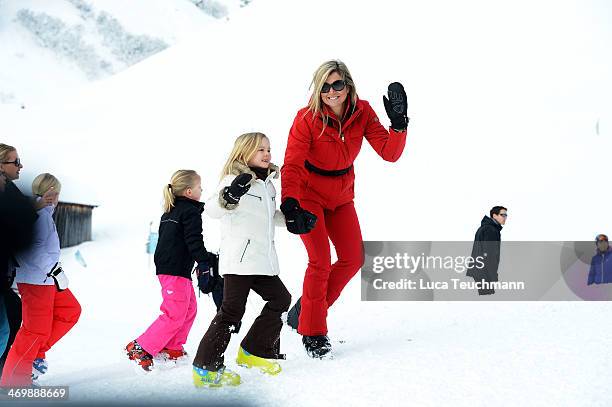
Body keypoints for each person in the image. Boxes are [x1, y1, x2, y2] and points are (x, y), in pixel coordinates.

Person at [281, 60, 409, 358]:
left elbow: (389, 153)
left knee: (353, 258)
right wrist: (290, 203)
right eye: (325, 86)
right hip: (309, 194)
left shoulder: (362, 111)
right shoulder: (306, 118)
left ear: (348, 85)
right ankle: (313, 332)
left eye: (337, 84)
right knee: (321, 261)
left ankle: (305, 310)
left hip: (341, 196)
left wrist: (399, 125)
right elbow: (293, 163)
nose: (331, 92)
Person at [192, 132, 291, 388]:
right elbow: (213, 209)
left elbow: (268, 218)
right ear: (244, 153)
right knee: (232, 312)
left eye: (269, 149)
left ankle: (254, 351)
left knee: (281, 299)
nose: (267, 154)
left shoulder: (268, 184)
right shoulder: (233, 180)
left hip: (262, 259)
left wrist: (292, 220)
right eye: (260, 150)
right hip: (239, 260)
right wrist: (231, 195)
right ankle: (205, 367)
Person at [125, 170, 212, 372]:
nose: (202, 190)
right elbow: (194, 240)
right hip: (174, 269)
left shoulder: (171, 211)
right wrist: (204, 261)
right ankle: (140, 347)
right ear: (189, 191)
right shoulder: (189, 211)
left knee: (189, 309)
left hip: (177, 268)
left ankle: (172, 347)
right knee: (174, 312)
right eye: (200, 187)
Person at [0, 173, 81, 387]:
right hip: (37, 281)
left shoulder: (44, 214)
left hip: (45, 280)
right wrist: (54, 270)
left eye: (56, 193)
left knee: (69, 311)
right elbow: (31, 251)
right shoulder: (40, 217)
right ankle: (14, 382)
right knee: (34, 331)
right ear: (40, 193)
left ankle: (35, 355)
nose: (54, 197)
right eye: (49, 192)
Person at [0, 144, 54, 373]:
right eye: (15, 162)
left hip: (5, 276)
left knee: (12, 320)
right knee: (5, 328)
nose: (20, 166)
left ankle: (8, 373)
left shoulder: (10, 191)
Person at [466, 206, 508, 295]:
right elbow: (489, 254)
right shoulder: (491, 230)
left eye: (506, 215)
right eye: (502, 215)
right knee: (487, 298)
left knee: (486, 297)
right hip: (483, 271)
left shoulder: (487, 227)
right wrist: (493, 275)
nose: (505, 218)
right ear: (494, 215)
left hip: (480, 270)